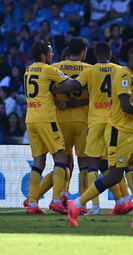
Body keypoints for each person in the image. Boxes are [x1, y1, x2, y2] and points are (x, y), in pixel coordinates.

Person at [66, 40, 133, 228]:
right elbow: (125, 105)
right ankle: (76, 204)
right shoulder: (123, 74)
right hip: (120, 131)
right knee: (115, 175)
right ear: (131, 55)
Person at [53, 41, 133, 216]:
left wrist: (53, 89)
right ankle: (124, 201)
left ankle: (94, 206)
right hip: (115, 121)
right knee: (112, 164)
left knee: (90, 164)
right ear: (110, 54)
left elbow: (72, 85)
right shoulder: (120, 70)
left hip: (94, 121)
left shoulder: (89, 70)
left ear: (94, 54)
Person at [27, 38, 91, 212]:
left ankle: (32, 203)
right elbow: (70, 84)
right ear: (43, 55)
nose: (52, 54)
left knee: (38, 162)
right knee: (62, 159)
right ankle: (57, 199)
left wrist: (54, 94)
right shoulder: (48, 70)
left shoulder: (28, 71)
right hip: (48, 119)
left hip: (31, 118)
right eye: (49, 52)